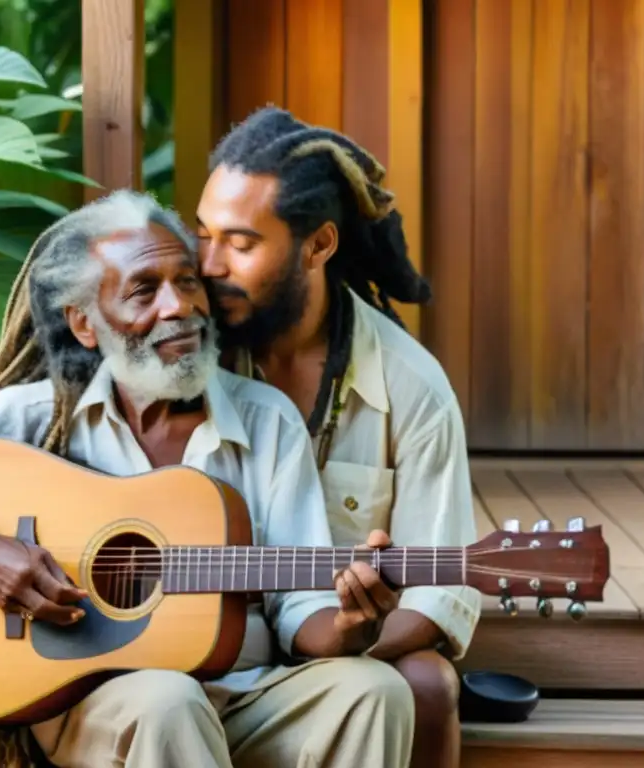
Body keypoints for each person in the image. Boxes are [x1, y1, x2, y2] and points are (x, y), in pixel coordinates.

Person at [0, 190, 417, 768]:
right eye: (144, 290)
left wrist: (350, 623)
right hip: (101, 704)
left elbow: (299, 613)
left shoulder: (267, 422)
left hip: (246, 696)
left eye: (187, 281)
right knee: (165, 700)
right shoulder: (41, 415)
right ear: (85, 324)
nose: (179, 305)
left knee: (374, 690)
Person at [195, 106, 482, 768]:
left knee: (425, 685)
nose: (208, 265)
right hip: (188, 655)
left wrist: (340, 642)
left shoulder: (413, 388)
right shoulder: (182, 351)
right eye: (202, 234)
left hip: (337, 662)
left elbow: (442, 599)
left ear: (318, 246)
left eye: (239, 244)